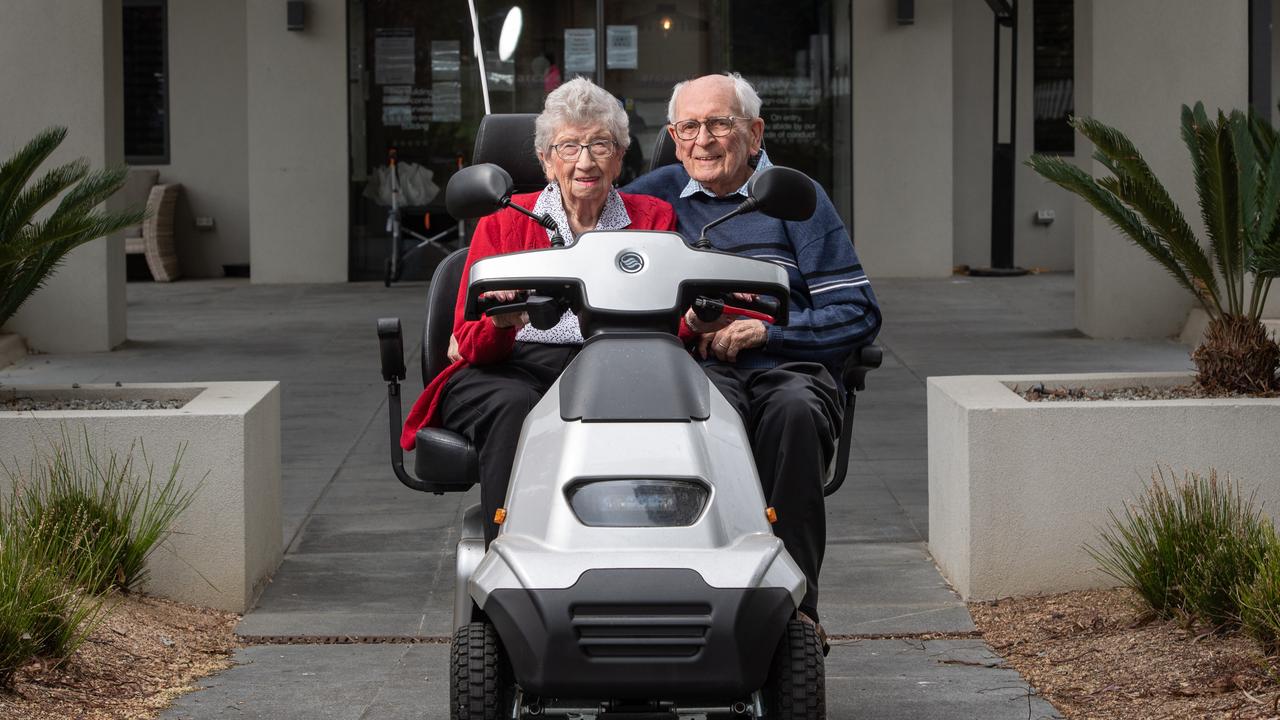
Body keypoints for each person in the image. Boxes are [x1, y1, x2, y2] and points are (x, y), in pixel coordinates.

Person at [624, 73, 881, 650]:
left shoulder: (795, 196)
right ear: (671, 134)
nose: (703, 140)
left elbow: (858, 312)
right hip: (695, 368)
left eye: (720, 123)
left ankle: (795, 609)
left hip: (785, 366)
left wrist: (768, 333)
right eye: (688, 126)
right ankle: (678, 601)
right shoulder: (652, 198)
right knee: (697, 423)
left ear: (755, 132)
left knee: (792, 412)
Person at [400, 78, 676, 543]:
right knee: (517, 408)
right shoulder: (503, 221)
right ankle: (511, 561)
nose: (585, 161)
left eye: (600, 145)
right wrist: (502, 324)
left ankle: (640, 553)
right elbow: (467, 342)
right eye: (568, 146)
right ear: (546, 161)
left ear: (620, 156)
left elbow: (667, 320)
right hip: (508, 369)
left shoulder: (653, 218)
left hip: (613, 367)